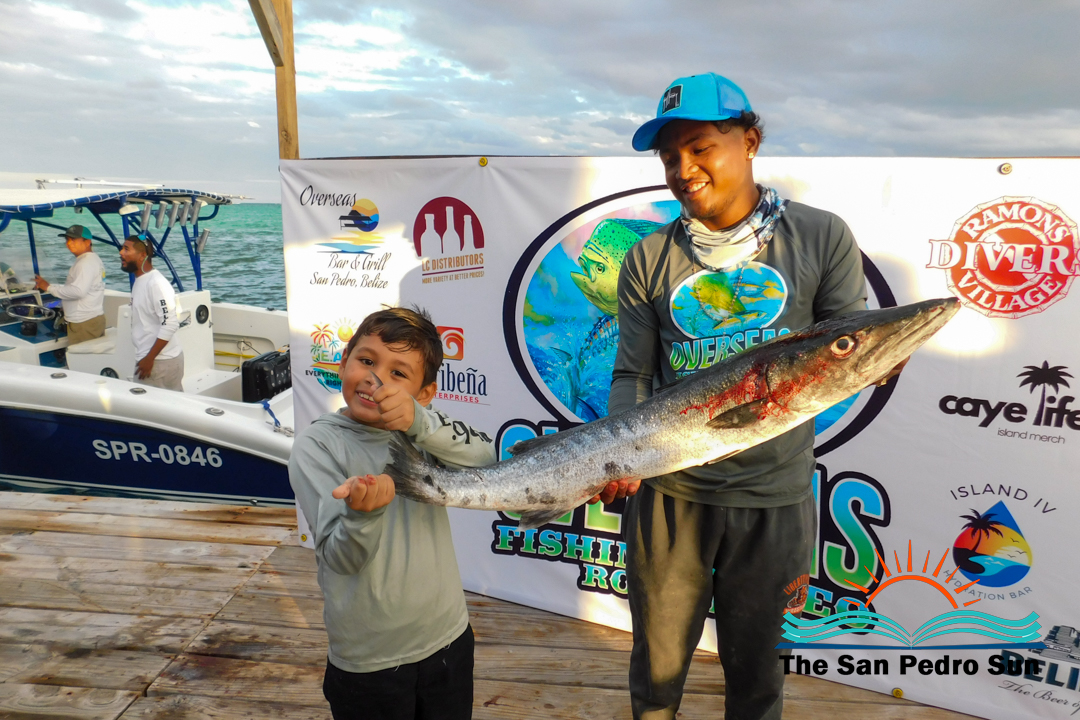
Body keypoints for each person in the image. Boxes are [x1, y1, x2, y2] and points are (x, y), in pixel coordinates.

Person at [604, 73, 903, 720]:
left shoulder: (820, 235)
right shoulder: (648, 258)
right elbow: (632, 374)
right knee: (656, 676)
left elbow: (849, 344)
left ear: (749, 141)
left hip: (775, 498)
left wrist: (880, 363)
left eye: (700, 148)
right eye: (669, 157)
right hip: (671, 496)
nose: (683, 170)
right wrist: (620, 453)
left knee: (759, 679)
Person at [289, 306, 496, 720]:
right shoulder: (317, 446)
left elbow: (486, 460)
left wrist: (421, 422)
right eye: (367, 361)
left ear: (424, 394)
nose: (376, 379)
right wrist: (362, 515)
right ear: (343, 360)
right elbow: (341, 558)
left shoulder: (424, 430)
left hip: (450, 639)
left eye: (398, 373)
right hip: (368, 662)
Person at [119, 235, 184, 390]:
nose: (121, 252)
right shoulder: (141, 280)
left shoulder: (156, 284)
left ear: (143, 255)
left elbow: (170, 324)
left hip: (158, 364)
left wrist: (149, 359)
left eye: (126, 249)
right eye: (122, 248)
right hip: (156, 361)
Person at [34, 225, 106, 345]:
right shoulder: (93, 259)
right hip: (92, 319)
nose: (69, 243)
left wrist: (48, 288)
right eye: (67, 239)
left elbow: (78, 291)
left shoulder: (85, 263)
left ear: (87, 242)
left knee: (82, 356)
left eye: (73, 239)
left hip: (83, 323)